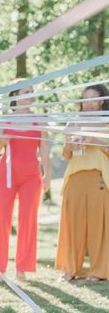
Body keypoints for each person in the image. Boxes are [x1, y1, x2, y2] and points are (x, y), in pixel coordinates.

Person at [0, 85, 51, 281]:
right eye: (26, 91)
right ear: (16, 95)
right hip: (6, 175)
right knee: (1, 218)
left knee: (28, 219)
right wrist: (3, 140)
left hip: (31, 176)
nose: (31, 93)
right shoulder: (4, 119)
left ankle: (22, 267)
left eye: (32, 90)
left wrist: (47, 175)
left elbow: (44, 151)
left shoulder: (39, 120)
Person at [56, 84, 109, 281]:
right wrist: (70, 145)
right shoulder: (73, 124)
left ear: (101, 101)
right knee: (72, 227)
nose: (88, 104)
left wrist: (94, 139)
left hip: (99, 178)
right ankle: (70, 269)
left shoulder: (107, 123)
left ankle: (98, 271)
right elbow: (66, 154)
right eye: (84, 100)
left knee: (99, 227)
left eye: (92, 99)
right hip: (75, 178)